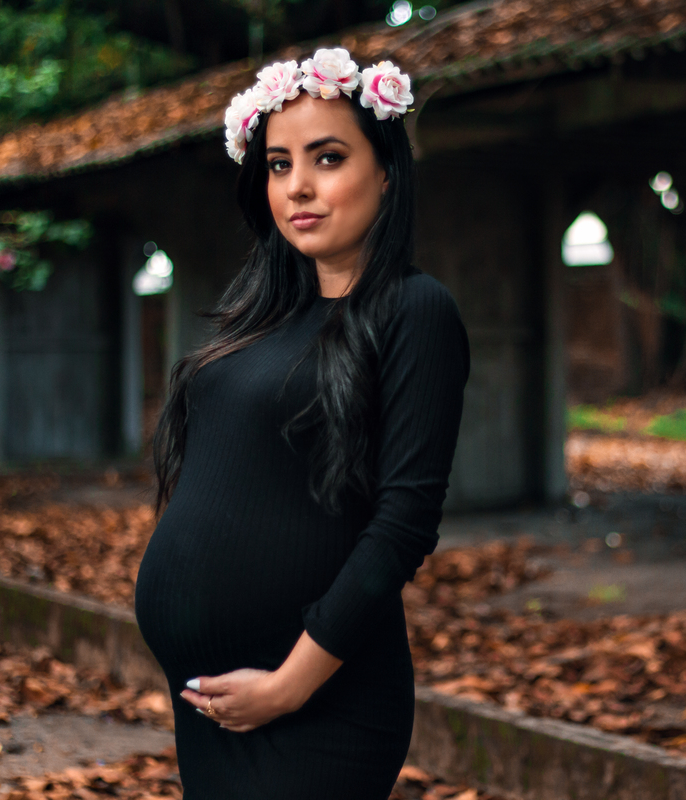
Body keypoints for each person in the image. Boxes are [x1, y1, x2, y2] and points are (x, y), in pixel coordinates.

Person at [133, 48, 470, 799]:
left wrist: (290, 684)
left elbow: (405, 523)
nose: (299, 187)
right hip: (215, 709)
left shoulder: (414, 311)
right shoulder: (264, 317)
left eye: (327, 157)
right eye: (280, 165)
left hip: (320, 704)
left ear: (386, 169)